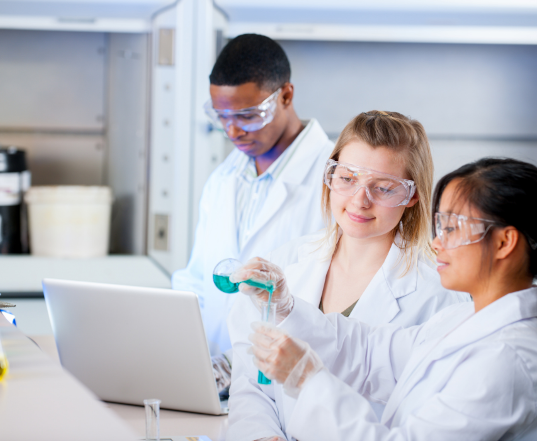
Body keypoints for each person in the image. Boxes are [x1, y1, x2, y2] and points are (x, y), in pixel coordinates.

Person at [243, 157, 537, 441]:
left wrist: (306, 379)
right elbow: (370, 353)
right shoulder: (462, 319)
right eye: (440, 226)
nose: (437, 243)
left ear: (504, 242)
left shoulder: (506, 360)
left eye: (452, 228)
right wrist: (287, 308)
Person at [226, 111, 470, 441]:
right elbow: (251, 383)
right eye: (347, 178)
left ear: (412, 195)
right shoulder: (286, 261)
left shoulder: (440, 295)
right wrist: (260, 435)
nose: (360, 200)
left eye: (383, 188)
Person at [171, 34, 333, 389]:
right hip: (215, 382)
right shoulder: (224, 178)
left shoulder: (336, 182)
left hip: (286, 387)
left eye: (247, 115)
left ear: (285, 96)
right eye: (222, 116)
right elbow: (198, 280)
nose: (232, 131)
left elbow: (330, 307)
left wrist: (239, 362)